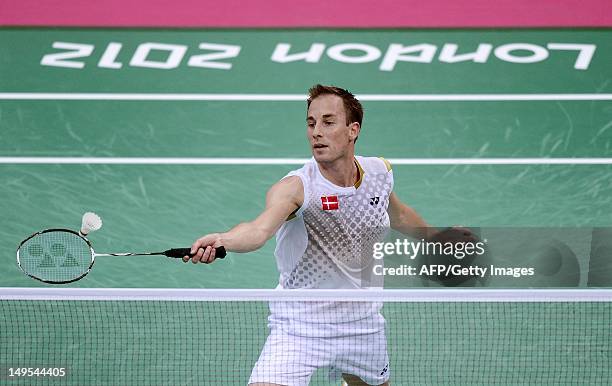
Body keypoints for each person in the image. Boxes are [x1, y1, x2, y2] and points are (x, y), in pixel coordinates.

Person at [184, 84, 436, 386]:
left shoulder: (378, 173)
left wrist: (438, 239)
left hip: (362, 325)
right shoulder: (297, 187)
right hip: (300, 326)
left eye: (328, 122)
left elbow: (399, 215)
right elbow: (258, 230)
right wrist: (224, 239)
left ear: (353, 130)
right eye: (311, 123)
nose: (316, 132)